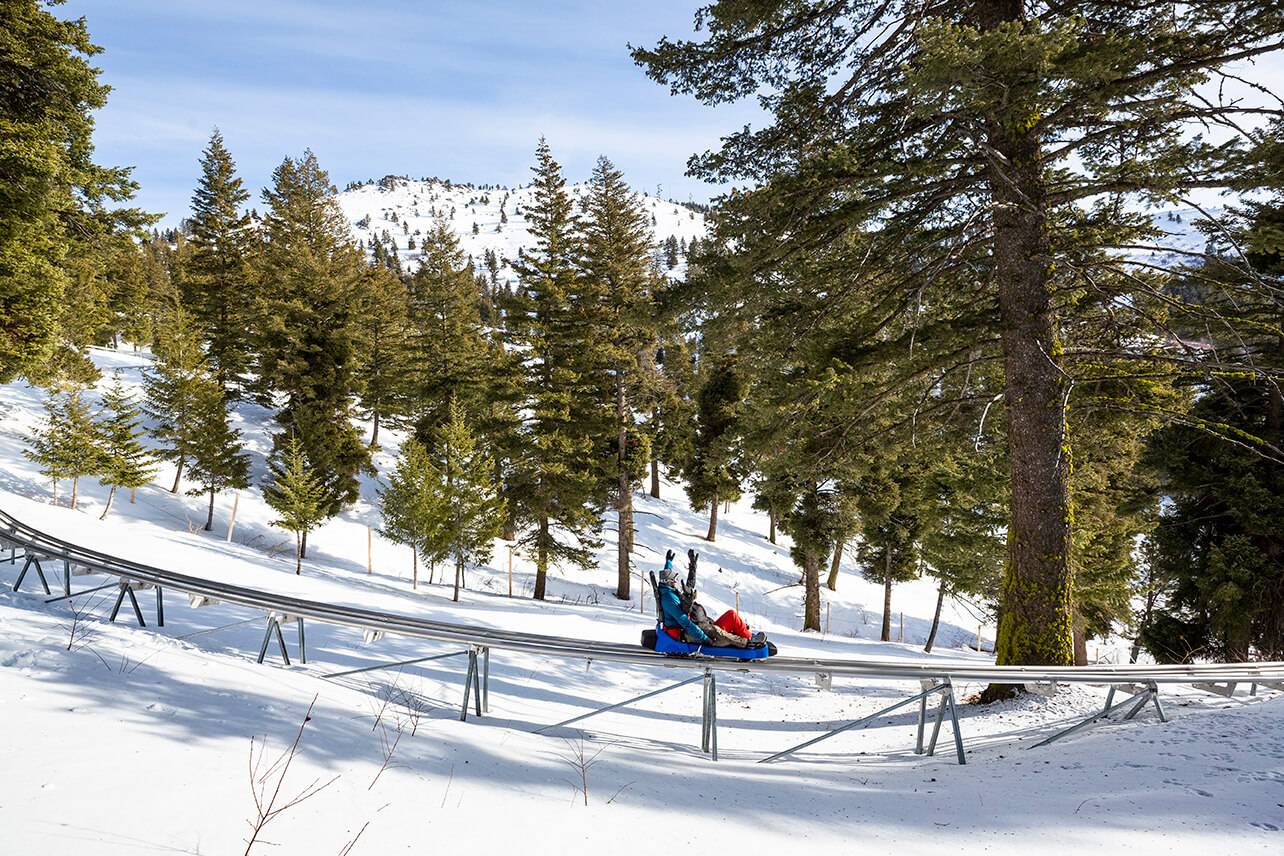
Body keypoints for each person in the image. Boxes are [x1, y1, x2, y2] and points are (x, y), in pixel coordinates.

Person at [657, 549, 766, 649]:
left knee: (731, 615)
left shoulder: (668, 590)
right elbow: (685, 622)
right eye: (674, 580)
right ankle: (748, 642)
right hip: (690, 632)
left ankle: (749, 636)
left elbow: (667, 575)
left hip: (700, 625)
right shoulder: (669, 599)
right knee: (718, 629)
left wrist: (669, 562)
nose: (675, 582)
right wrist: (704, 639)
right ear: (669, 582)